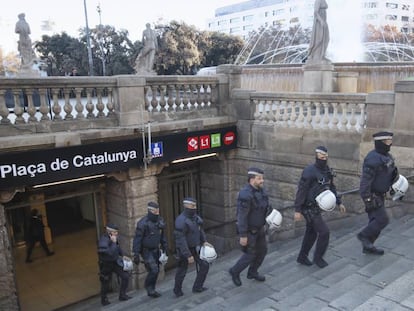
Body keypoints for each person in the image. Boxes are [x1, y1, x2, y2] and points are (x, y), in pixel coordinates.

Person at [293, 146, 346, 268]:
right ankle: (318, 258)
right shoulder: (309, 171)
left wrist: (339, 202)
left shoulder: (327, 171)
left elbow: (332, 187)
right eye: (321, 157)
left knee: (311, 232)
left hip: (317, 207)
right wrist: (298, 209)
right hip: (308, 207)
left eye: (325, 157)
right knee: (324, 232)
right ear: (316, 156)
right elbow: (302, 190)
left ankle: (302, 257)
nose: (324, 159)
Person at [229, 167, 273, 287]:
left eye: (262, 178)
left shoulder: (261, 191)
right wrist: (243, 235)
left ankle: (252, 272)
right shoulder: (245, 194)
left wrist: (272, 215)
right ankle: (235, 271)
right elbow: (241, 216)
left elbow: (266, 207)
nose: (262, 181)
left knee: (263, 251)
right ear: (252, 179)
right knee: (250, 254)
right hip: (249, 231)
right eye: (259, 178)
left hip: (260, 229)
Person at [357, 131, 399, 255]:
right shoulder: (372, 158)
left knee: (375, 223)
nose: (390, 144)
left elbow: (390, 174)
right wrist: (368, 199)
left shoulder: (388, 157)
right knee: (382, 220)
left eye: (390, 141)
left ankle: (368, 246)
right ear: (380, 143)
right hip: (373, 196)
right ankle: (363, 235)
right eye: (387, 142)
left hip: (381, 195)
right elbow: (365, 182)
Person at [173, 197, 211, 297]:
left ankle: (198, 286)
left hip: (196, 247)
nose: (195, 208)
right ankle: (177, 290)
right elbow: (181, 239)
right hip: (185, 250)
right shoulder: (181, 220)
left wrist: (204, 241)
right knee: (182, 270)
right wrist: (188, 254)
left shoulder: (195, 217)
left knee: (204, 265)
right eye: (193, 206)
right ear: (186, 206)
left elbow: (200, 230)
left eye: (195, 206)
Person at [132, 201, 168, 298]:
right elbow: (137, 239)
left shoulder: (160, 220)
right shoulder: (143, 223)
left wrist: (165, 247)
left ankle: (152, 288)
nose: (157, 214)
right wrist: (136, 253)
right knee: (154, 270)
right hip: (146, 251)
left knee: (156, 269)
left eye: (158, 211)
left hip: (156, 249)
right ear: (150, 211)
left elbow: (162, 235)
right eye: (155, 212)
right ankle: (149, 287)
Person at [97, 223, 131, 306]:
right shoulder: (103, 241)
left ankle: (122, 295)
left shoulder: (114, 239)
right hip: (106, 264)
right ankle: (104, 299)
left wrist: (122, 256)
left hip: (115, 262)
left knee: (125, 276)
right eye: (115, 232)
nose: (117, 234)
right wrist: (113, 243)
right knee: (105, 282)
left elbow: (118, 248)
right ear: (110, 232)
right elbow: (110, 253)